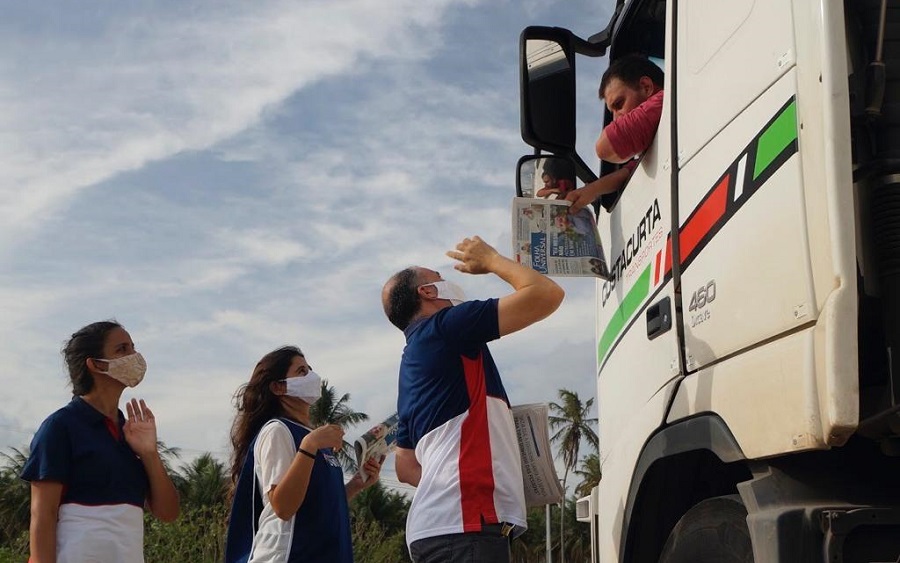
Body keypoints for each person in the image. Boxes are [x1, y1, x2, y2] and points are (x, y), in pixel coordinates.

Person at [381, 236, 565, 562]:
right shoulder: (446, 327)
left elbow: (406, 466)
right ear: (427, 292)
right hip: (464, 529)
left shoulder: (410, 368)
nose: (446, 281)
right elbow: (546, 295)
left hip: (435, 530)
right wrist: (492, 260)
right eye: (438, 277)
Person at [21, 320, 180, 563]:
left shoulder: (130, 433)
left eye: (133, 348)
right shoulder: (60, 427)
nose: (134, 356)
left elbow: (168, 513)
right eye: (122, 349)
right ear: (95, 364)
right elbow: (42, 515)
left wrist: (150, 454)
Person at [225, 346, 382, 563]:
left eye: (310, 369)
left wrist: (356, 484)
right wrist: (309, 445)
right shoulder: (278, 431)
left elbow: (317, 504)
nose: (312, 376)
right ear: (279, 387)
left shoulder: (312, 438)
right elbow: (283, 506)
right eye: (301, 371)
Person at [566, 54, 665, 213]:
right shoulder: (659, 135)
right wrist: (591, 190)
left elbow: (604, 147)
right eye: (612, 112)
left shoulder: (663, 101)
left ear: (646, 87)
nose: (616, 118)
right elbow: (628, 171)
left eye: (619, 104)